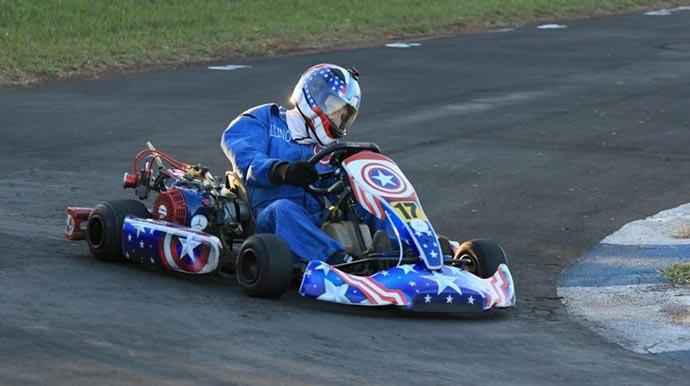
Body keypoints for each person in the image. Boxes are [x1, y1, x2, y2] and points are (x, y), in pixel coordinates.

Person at [220, 63, 364, 265]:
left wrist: (364, 192)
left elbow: (341, 194)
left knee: (368, 201)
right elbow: (247, 161)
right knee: (284, 208)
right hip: (268, 219)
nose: (336, 118)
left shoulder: (330, 150)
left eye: (342, 116)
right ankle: (338, 263)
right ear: (314, 96)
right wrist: (283, 171)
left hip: (314, 222)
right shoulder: (265, 120)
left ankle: (402, 255)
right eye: (334, 108)